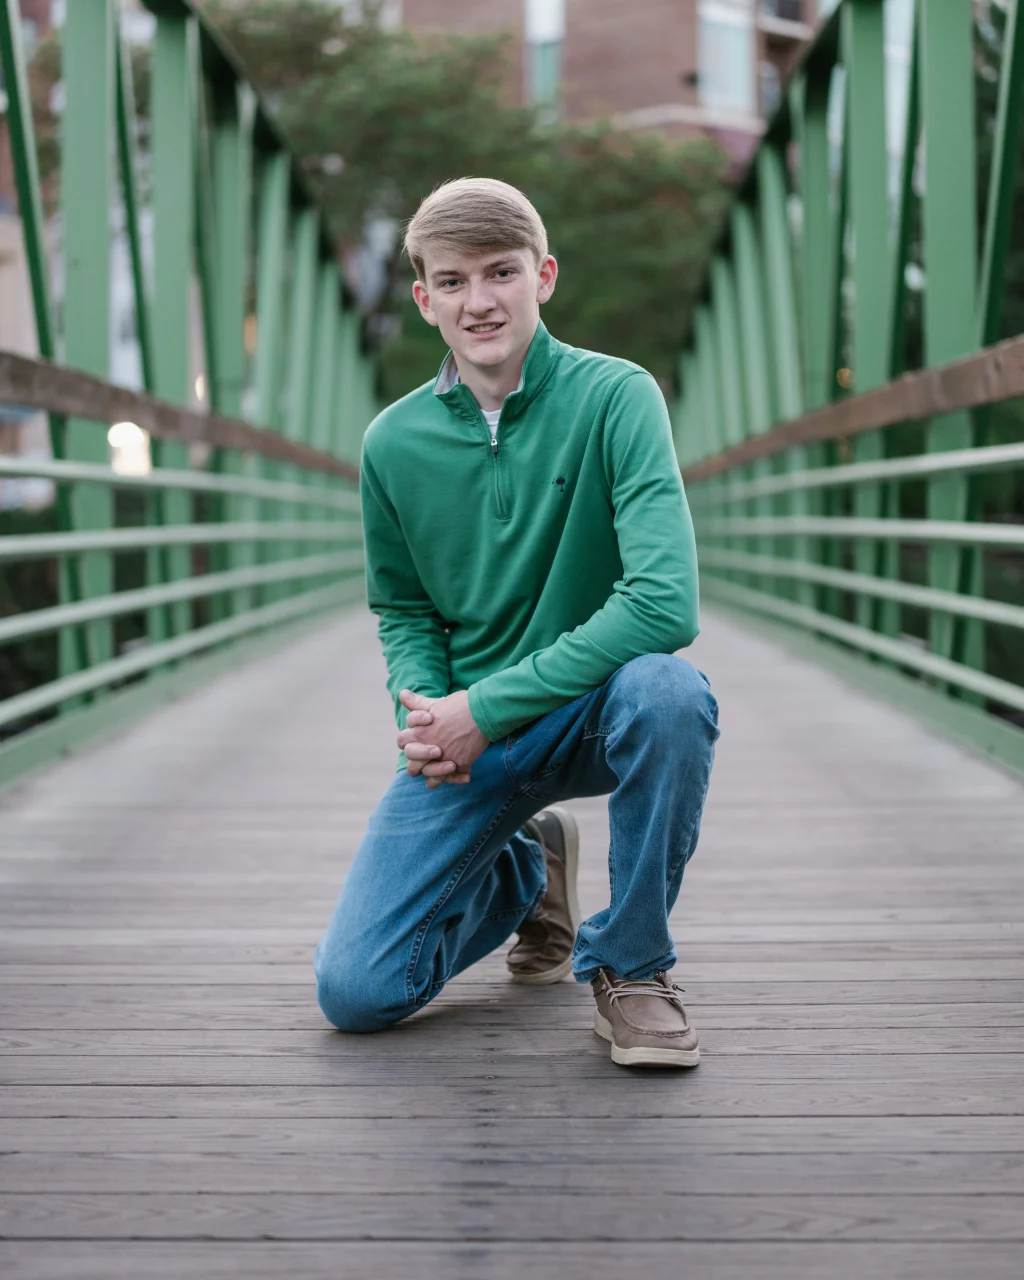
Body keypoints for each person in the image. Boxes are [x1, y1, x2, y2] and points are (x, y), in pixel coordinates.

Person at [314, 177, 718, 1067]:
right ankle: (524, 872)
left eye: (501, 273)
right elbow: (405, 605)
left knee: (670, 692)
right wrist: (422, 715)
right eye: (452, 281)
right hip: (471, 737)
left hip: (588, 710)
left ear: (545, 276)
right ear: (423, 299)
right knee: (357, 993)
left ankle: (633, 967)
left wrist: (485, 708)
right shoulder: (393, 441)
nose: (479, 300)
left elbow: (664, 603)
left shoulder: (618, 397)